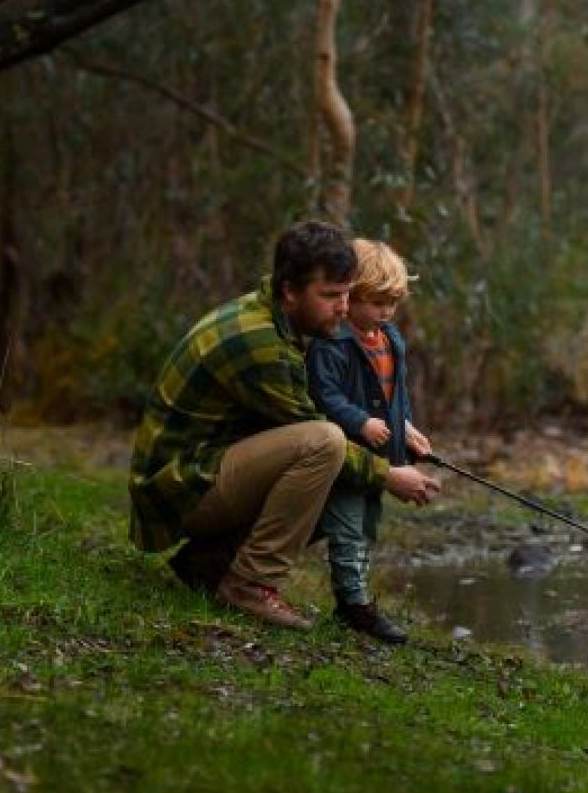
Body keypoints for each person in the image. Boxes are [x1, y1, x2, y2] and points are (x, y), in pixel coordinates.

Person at [127, 221, 440, 631]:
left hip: (206, 472)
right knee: (324, 445)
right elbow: (316, 434)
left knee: (330, 456)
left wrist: (398, 427)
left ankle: (209, 563)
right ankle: (250, 585)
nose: (343, 308)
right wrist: (387, 475)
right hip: (177, 489)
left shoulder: (282, 319)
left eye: (347, 294)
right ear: (290, 290)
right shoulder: (261, 344)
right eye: (330, 296)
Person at [307, 239, 432, 644]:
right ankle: (353, 605)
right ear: (351, 296)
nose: (385, 312)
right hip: (347, 457)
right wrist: (359, 421)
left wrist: (407, 426)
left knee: (366, 528)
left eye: (392, 302)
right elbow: (324, 396)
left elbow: (398, 392)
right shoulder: (333, 344)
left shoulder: (391, 339)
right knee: (345, 529)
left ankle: (355, 598)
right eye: (377, 302)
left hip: (381, 458)